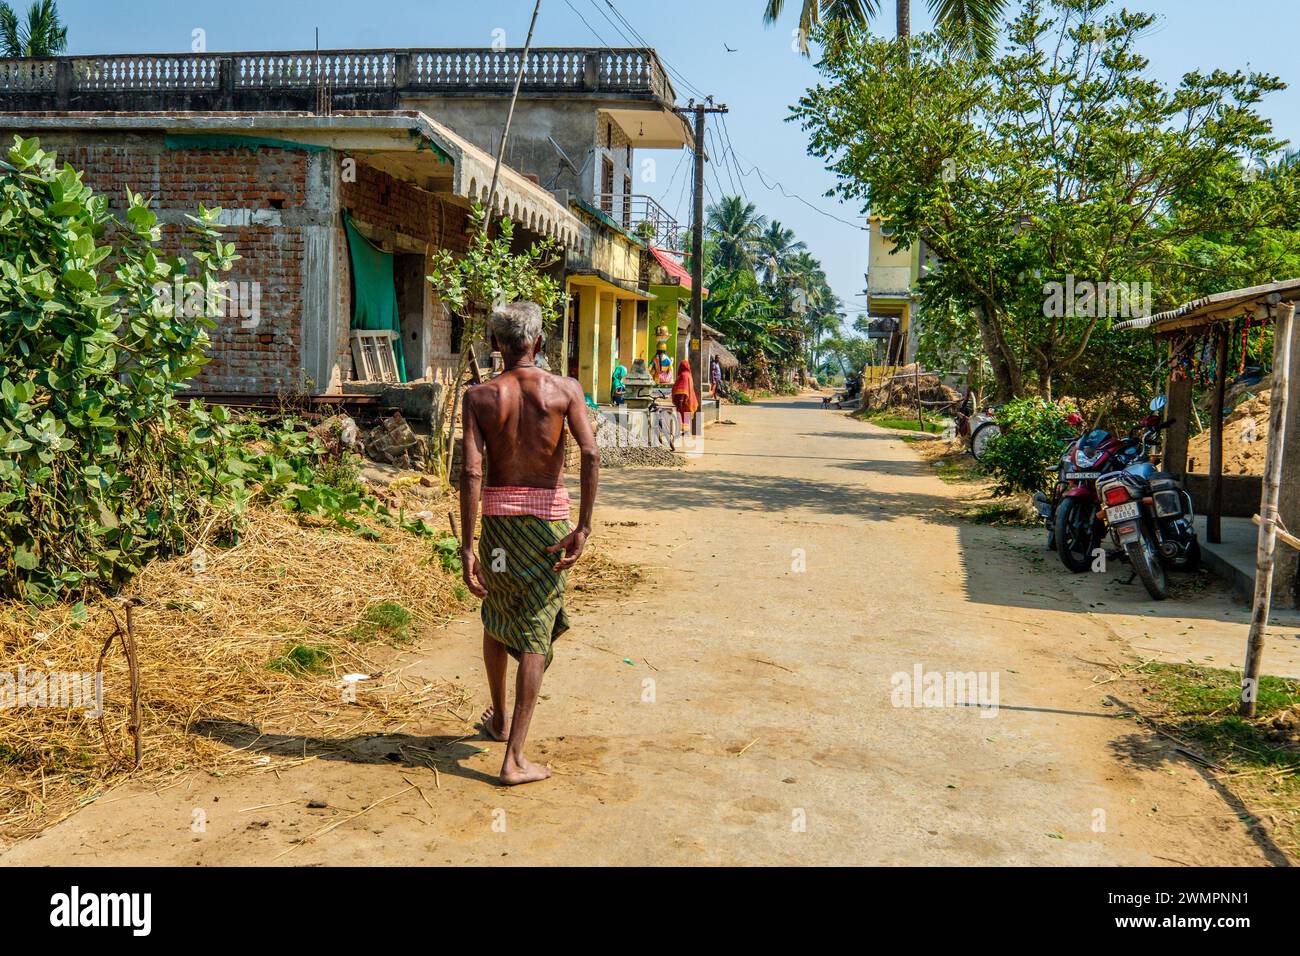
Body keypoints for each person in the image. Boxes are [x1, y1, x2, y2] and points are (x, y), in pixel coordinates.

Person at [459, 302, 600, 786]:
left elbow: (472, 472)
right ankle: (514, 757)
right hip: (545, 530)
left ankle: (499, 719)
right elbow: (591, 453)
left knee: (498, 613)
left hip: (498, 529)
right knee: (535, 628)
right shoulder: (564, 391)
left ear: (497, 345)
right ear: (538, 344)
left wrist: (467, 546)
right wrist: (582, 526)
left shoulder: (479, 397)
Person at [671, 358, 699, 432]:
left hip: (683, 401)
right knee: (686, 419)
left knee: (682, 418)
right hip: (689, 401)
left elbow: (683, 389)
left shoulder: (683, 376)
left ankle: (683, 433)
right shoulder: (689, 375)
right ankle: (686, 433)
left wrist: (681, 400)